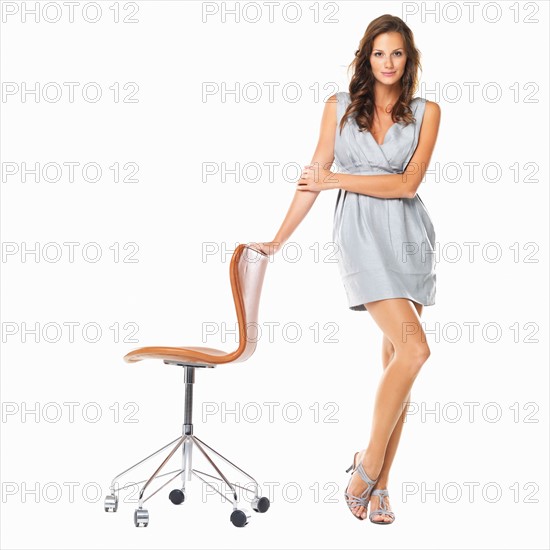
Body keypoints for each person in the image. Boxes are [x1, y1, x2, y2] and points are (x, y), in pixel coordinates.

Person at [249, 13, 441, 524]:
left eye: (397, 53)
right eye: (379, 53)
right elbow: (314, 176)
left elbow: (406, 186)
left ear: (409, 59)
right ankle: (367, 465)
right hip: (360, 237)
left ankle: (380, 487)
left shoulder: (428, 112)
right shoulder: (338, 108)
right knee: (416, 348)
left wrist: (339, 178)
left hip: (408, 238)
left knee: (398, 365)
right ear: (366, 57)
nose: (388, 62)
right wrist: (278, 238)